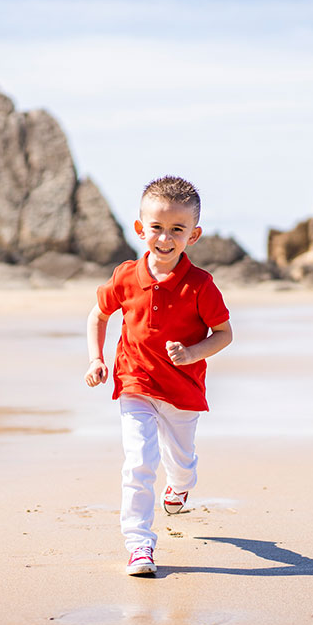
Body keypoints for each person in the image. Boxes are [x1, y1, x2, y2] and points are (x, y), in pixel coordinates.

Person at [84, 175, 233, 576]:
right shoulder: (127, 275)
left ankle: (181, 485)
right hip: (134, 382)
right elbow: (99, 315)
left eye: (177, 230)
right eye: (157, 228)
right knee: (139, 461)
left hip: (182, 391)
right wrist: (96, 359)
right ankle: (139, 545)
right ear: (140, 228)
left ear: (194, 235)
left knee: (180, 462)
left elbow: (224, 334)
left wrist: (192, 353)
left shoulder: (201, 286)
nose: (165, 238)